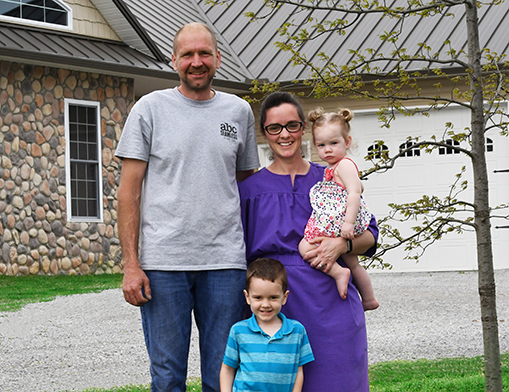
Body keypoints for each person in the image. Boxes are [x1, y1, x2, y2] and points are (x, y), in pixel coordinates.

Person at [115, 22, 260, 392]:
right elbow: (128, 192)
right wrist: (131, 265)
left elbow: (249, 189)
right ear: (174, 60)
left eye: (204, 53)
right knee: (166, 379)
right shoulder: (149, 109)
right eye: (188, 55)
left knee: (222, 377)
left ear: (218, 58)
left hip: (225, 264)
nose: (197, 62)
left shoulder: (239, 111)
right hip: (164, 264)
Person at [238, 92, 378, 392]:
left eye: (292, 125)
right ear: (264, 134)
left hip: (332, 302)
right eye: (275, 127)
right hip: (276, 306)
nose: (285, 134)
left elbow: (370, 235)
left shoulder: (332, 178)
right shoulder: (248, 191)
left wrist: (343, 245)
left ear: (304, 129)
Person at [298, 107, 379, 310]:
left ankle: (337, 272)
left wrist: (348, 223)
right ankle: (369, 299)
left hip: (342, 222)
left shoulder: (344, 165)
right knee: (353, 263)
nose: (328, 149)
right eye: (321, 145)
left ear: (347, 142)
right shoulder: (333, 168)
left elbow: (355, 193)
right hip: (340, 221)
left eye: (334, 143)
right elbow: (358, 186)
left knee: (305, 246)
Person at [220, 258, 314, 392]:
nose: (265, 304)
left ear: (284, 297)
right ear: (247, 297)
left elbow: (299, 370)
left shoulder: (297, 331)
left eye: (273, 297)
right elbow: (228, 368)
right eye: (258, 297)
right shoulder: (238, 331)